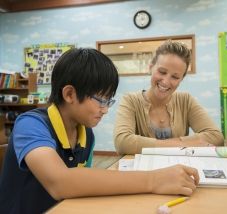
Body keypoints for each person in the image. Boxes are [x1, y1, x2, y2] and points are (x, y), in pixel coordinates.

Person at [0, 48, 200, 213]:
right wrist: (155, 179)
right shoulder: (31, 124)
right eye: (100, 100)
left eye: (108, 100)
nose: (105, 109)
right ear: (70, 94)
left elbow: (81, 185)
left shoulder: (86, 134)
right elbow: (60, 182)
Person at [114, 40, 224, 155]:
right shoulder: (130, 100)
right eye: (162, 72)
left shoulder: (185, 100)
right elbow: (122, 143)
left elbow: (216, 137)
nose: (166, 82)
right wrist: (183, 144)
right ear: (151, 67)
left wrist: (161, 145)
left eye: (175, 77)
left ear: (181, 79)